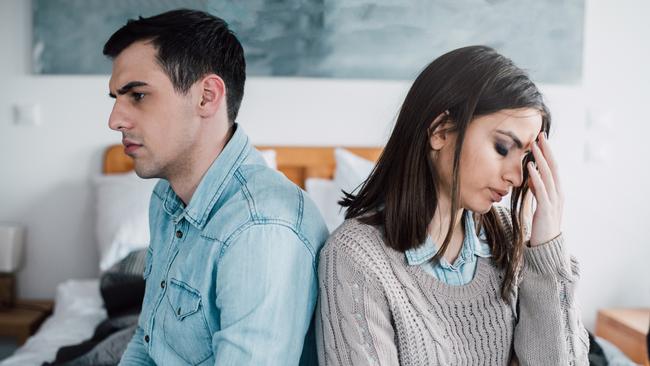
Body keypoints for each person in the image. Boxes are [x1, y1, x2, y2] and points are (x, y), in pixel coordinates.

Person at [315, 46, 589, 365]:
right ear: (440, 131)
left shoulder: (509, 240)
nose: (517, 176)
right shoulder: (355, 258)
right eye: (502, 148)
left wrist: (545, 251)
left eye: (526, 158)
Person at [104, 9, 328, 365]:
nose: (115, 119)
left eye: (138, 96)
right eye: (115, 98)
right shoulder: (166, 196)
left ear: (207, 96)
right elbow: (148, 343)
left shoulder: (261, 229)